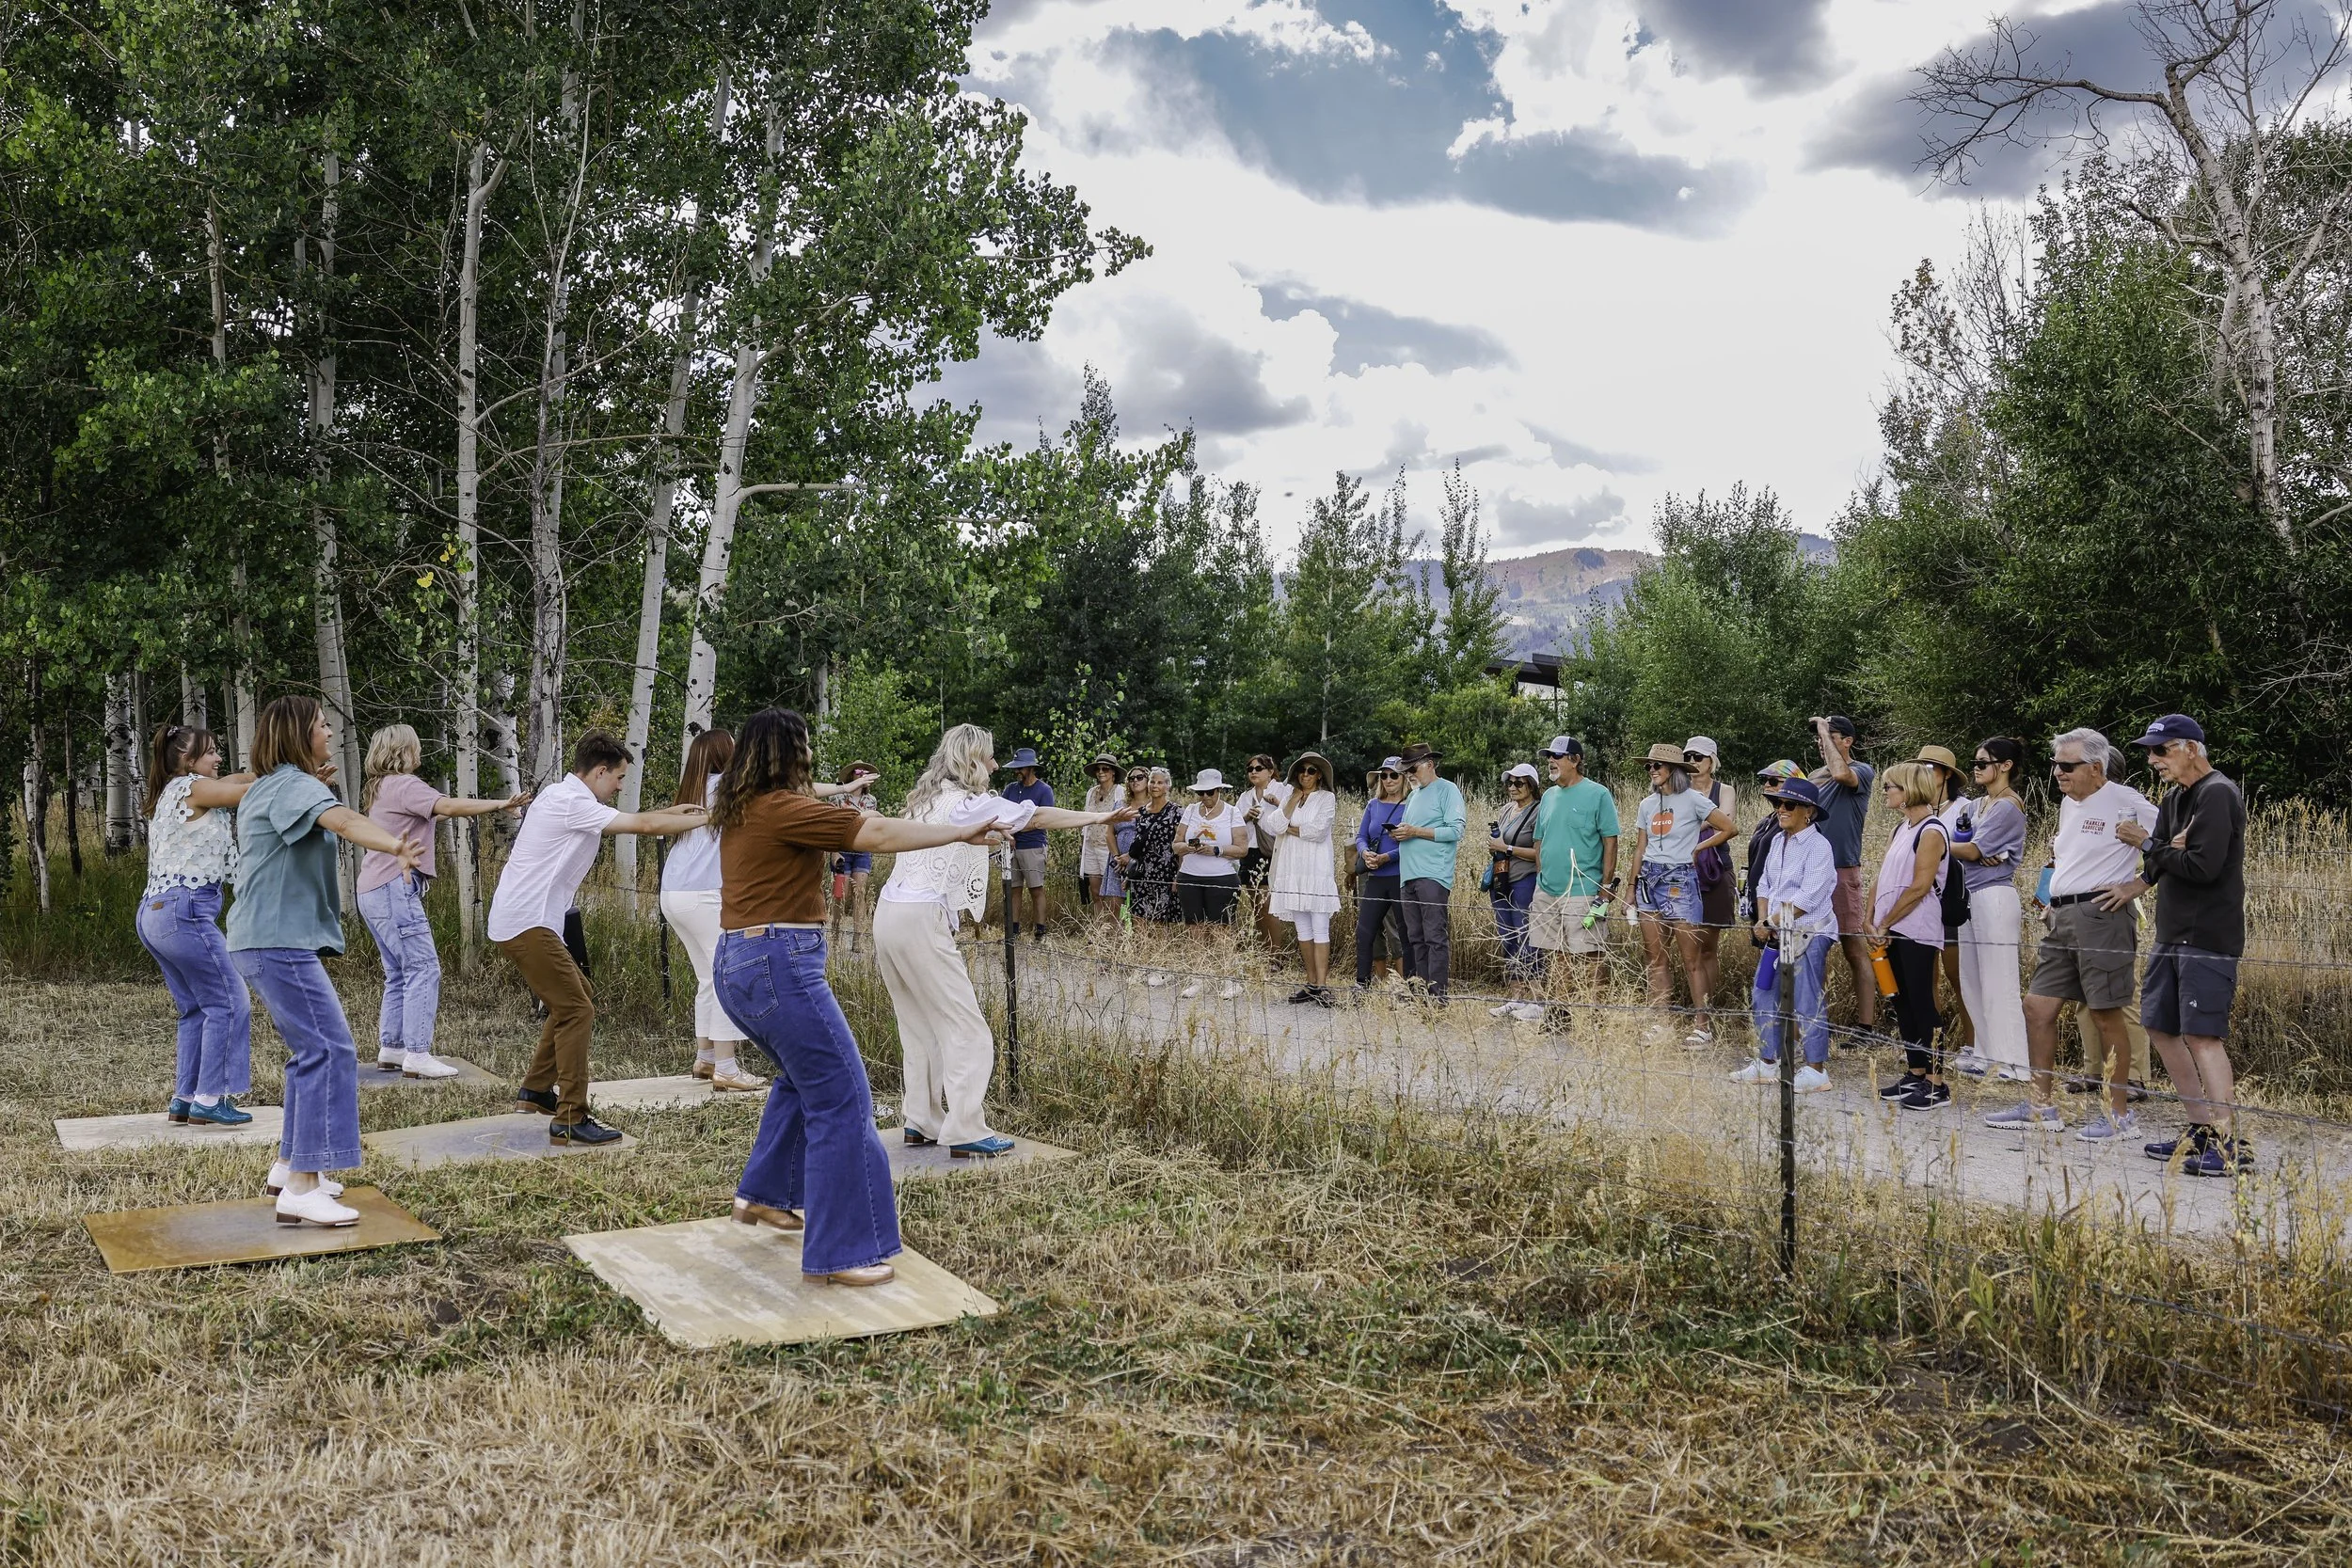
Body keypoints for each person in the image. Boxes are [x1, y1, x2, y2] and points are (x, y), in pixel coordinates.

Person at [710, 708, 998, 1287]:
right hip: (779, 964)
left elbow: (847, 812)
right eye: (806, 745)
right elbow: (882, 834)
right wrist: (961, 831)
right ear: (788, 754)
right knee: (843, 1098)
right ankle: (844, 1251)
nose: (812, 754)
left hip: (738, 964)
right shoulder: (784, 808)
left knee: (801, 1078)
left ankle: (763, 1196)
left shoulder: (742, 807)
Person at [877, 724, 1131, 1157]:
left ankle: (921, 1119)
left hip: (889, 915)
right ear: (973, 759)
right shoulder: (969, 804)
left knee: (918, 1025)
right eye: (991, 757)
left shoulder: (925, 799)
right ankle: (965, 1129)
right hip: (921, 917)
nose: (996, 765)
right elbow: (1039, 816)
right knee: (966, 1026)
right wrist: (1098, 817)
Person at [226, 695, 424, 1226]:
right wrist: (393, 845)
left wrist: (322, 787)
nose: (330, 730)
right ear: (298, 733)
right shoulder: (295, 785)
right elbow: (343, 822)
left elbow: (325, 817)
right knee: (329, 1049)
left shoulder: (274, 785)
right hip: (276, 940)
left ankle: (291, 1163)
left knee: (310, 1051)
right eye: (321, 724)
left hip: (260, 938)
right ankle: (301, 1185)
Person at [486, 730, 711, 1145]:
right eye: (620, 778)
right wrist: (709, 818)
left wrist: (674, 810)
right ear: (600, 771)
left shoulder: (565, 798)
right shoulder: (572, 804)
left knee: (575, 997)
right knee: (577, 1009)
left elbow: (638, 817)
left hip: (524, 919)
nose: (621, 786)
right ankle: (571, 1117)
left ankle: (536, 1090)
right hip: (527, 922)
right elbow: (641, 825)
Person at [1985, 728, 2156, 1138]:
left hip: (2101, 915)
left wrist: (2139, 883)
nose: (2057, 773)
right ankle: (2041, 1106)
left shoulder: (2127, 801)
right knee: (2037, 1007)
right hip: (2060, 916)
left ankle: (2119, 1116)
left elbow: (2179, 844)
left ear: (2096, 768)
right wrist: (2050, 897)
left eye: (2067, 765)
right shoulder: (2068, 803)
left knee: (2105, 1012)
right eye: (2054, 765)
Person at [2114, 715, 2251, 1177]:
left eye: (2162, 750)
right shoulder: (2176, 797)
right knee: (2159, 1025)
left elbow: (2203, 867)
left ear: (2192, 748)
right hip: (2172, 932)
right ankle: (2200, 1129)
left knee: (2202, 1035)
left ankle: (2231, 1144)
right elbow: (2169, 860)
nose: (2153, 760)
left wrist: (2149, 843)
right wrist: (2149, 869)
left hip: (2208, 934)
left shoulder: (2218, 793)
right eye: (2150, 752)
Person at [355, 723, 529, 1081]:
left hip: (372, 889)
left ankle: (393, 1048)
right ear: (405, 751)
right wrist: (499, 803)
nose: (420, 753)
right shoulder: (405, 785)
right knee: (423, 968)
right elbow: (447, 806)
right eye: (416, 747)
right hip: (393, 887)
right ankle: (417, 1054)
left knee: (398, 972)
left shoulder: (379, 787)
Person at [137, 722, 256, 1125]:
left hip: (155, 912)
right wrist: (296, 781)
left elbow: (239, 779)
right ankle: (211, 1098)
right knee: (229, 1001)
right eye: (211, 752)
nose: (218, 758)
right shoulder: (192, 787)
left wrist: (280, 770)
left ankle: (186, 1098)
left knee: (196, 1010)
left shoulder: (173, 791)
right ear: (189, 761)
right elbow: (242, 792)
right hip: (184, 910)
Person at [658, 728, 764, 1093]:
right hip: (704, 894)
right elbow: (796, 790)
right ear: (725, 754)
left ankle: (706, 1058)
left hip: (673, 891)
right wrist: (845, 791)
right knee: (725, 977)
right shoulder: (731, 788)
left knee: (707, 975)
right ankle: (728, 1068)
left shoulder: (694, 788)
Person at [1730, 776, 1837, 1091]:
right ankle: (1768, 1062)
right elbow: (1763, 884)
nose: (1781, 809)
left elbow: (1808, 898)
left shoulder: (1819, 847)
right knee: (1763, 992)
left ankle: (1817, 1070)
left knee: (1806, 998)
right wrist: (1764, 919)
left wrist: (1769, 923)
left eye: (1789, 804)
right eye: (1778, 803)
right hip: (1777, 932)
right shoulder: (1778, 841)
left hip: (1808, 933)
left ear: (1809, 812)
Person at [1631, 742, 1738, 1044]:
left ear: (1673, 770)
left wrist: (1697, 847)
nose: (1651, 770)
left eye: (1657, 766)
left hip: (1680, 880)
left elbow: (1729, 828)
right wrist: (1630, 886)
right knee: (1655, 956)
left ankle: (1702, 1026)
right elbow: (1640, 848)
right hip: (1648, 880)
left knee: (1691, 958)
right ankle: (1661, 1024)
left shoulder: (1693, 799)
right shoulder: (1646, 804)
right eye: (1648, 766)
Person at [1867, 762, 1952, 1111]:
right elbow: (1881, 876)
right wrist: (1869, 917)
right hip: (1891, 924)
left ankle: (1936, 1082)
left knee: (1921, 1000)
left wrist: (1886, 922)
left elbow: (1919, 886)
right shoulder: (1902, 828)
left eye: (1890, 786)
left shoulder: (1932, 831)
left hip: (1916, 927)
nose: (1886, 792)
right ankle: (1916, 1071)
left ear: (1907, 790)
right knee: (1899, 999)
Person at [1948, 737, 2031, 1084]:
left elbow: (1971, 849)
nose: (1977, 769)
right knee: (1972, 979)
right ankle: (1985, 1053)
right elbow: (1964, 845)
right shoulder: (1976, 806)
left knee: (2000, 980)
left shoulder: (2008, 807)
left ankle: (2014, 1062)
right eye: (1976, 763)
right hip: (1970, 894)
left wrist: (1950, 845)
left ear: (2006, 765)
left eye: (1984, 763)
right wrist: (1968, 849)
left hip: (1995, 894)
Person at [1526, 736, 1621, 1016]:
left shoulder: (1598, 794)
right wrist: (1541, 878)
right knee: (1554, 953)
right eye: (1548, 756)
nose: (1550, 761)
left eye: (1557, 756)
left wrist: (1604, 888)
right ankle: (1559, 1013)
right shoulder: (1548, 796)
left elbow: (1610, 842)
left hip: (1582, 889)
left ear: (1576, 760)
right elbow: (1539, 840)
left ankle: (1595, 1013)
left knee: (1591, 954)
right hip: (1547, 890)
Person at [1808, 716, 1878, 1031]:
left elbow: (1841, 772)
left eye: (1829, 736)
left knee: (1853, 947)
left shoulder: (1861, 771)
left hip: (1842, 868)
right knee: (1813, 947)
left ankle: (1865, 1027)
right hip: (1811, 871)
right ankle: (1815, 1022)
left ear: (1847, 740)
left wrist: (1824, 729)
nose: (1821, 743)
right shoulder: (1813, 777)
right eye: (1819, 738)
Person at [1264, 752, 1341, 1006]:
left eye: (1310, 771)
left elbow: (1318, 832)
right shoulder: (1290, 797)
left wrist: (1289, 828)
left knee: (1320, 929)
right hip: (1293, 870)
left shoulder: (1327, 798)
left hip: (1316, 870)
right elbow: (1273, 825)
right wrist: (1290, 803)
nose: (1304, 775)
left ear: (1319, 774)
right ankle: (1310, 984)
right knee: (1303, 930)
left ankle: (1323, 985)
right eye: (1301, 770)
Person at [1391, 742, 1466, 1003]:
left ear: (1430, 764)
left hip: (1433, 875)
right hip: (1408, 875)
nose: (1409, 774)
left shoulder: (1448, 790)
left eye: (1413, 768)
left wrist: (1415, 831)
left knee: (1434, 936)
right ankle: (1421, 992)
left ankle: (1438, 997)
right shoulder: (1413, 796)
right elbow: (1413, 830)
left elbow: (1456, 831)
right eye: (1406, 770)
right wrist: (1401, 832)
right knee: (1416, 938)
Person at [1915, 744, 1976, 1059]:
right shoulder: (1918, 809)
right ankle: (1930, 1045)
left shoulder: (1966, 809)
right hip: (1922, 901)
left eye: (1931, 768)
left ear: (1947, 774)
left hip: (1950, 899)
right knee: (1926, 975)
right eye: (1920, 767)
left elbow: (1977, 851)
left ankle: (1971, 1042)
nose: (1925, 773)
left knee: (1958, 974)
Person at [1175, 768, 1249, 999]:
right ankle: (1199, 977)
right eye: (1201, 793)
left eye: (1209, 792)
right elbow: (1176, 843)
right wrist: (1189, 847)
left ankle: (1231, 979)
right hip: (1190, 874)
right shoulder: (1190, 811)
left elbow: (1242, 848)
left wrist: (1216, 850)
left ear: (1219, 791)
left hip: (1221, 876)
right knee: (1194, 928)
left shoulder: (1232, 813)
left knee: (1222, 929)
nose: (1205, 797)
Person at [1683, 736, 1739, 1015]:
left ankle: (1706, 1006)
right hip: (1683, 872)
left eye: (1699, 757)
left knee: (1708, 945)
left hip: (1715, 870)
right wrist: (1708, 822)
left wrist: (1693, 824)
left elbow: (1727, 821)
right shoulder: (1679, 789)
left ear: (1712, 761)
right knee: (1688, 944)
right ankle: (1696, 1005)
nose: (1693, 762)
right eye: (1688, 757)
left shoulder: (1724, 789)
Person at [1486, 762, 1543, 1018]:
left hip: (1525, 879)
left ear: (1531, 786)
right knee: (1507, 936)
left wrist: (1506, 849)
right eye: (1509, 782)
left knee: (1527, 936)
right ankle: (1516, 995)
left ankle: (1536, 998)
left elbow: (1538, 853)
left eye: (1519, 783)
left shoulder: (1539, 811)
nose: (1513, 787)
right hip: (1502, 879)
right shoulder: (1507, 810)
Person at [1351, 757, 1410, 990]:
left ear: (1404, 778)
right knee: (1365, 930)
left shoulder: (1412, 806)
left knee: (1403, 932)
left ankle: (1408, 985)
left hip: (1399, 875)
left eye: (1393, 775)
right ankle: (1362, 983)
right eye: (1383, 775)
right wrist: (1365, 853)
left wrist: (1388, 857)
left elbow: (1412, 842)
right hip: (1375, 876)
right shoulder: (1372, 805)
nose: (1388, 780)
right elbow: (1361, 836)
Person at [1120, 767, 1184, 958]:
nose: (1155, 785)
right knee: (1138, 918)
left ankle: (1159, 964)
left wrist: (1178, 876)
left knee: (1158, 921)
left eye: (1160, 782)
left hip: (1164, 872)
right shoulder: (1141, 812)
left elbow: (1180, 847)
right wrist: (1129, 875)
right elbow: (1137, 847)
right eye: (1153, 781)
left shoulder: (1176, 812)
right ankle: (1142, 962)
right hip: (1141, 873)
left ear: (1167, 786)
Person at [1237, 754, 1293, 956]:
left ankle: (1276, 955)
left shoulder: (1283, 791)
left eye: (1258, 768)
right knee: (1256, 906)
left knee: (1269, 906)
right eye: (1249, 768)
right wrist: (1246, 816)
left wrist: (1277, 803)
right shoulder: (1245, 797)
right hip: (1250, 852)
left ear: (1270, 771)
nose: (1253, 772)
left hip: (1274, 851)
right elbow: (1235, 826)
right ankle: (1264, 951)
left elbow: (1294, 816)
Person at [1000, 747, 1055, 942]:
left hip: (1033, 845)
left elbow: (1047, 819)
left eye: (1021, 768)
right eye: (1017, 768)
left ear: (1031, 768)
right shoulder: (1010, 789)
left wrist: (1017, 830)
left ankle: (1040, 931)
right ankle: (1013, 931)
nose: (1017, 772)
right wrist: (1008, 834)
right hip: (1011, 846)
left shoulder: (1044, 790)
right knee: (1013, 888)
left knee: (1036, 888)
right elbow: (1002, 813)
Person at [826, 763, 881, 953]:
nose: (863, 776)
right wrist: (834, 851)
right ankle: (835, 936)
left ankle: (858, 940)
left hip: (863, 850)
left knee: (860, 893)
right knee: (841, 894)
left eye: (866, 773)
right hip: (841, 849)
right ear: (852, 776)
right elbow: (830, 825)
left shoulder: (871, 800)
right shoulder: (838, 797)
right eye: (859, 772)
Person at [1079, 754, 1125, 923]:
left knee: (1112, 892)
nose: (1101, 772)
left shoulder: (1120, 791)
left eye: (1105, 769)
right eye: (1098, 769)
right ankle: (1099, 927)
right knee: (1095, 891)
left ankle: (1113, 928)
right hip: (1091, 844)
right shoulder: (1091, 792)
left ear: (1113, 772)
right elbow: (1086, 817)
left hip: (1109, 847)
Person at [1098, 765, 1147, 914]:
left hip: (1142, 861)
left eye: (1139, 777)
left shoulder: (1153, 806)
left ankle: (1136, 938)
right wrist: (1117, 857)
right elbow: (1109, 833)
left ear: (1147, 780)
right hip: (1118, 862)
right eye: (1131, 779)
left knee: (1139, 909)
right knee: (1114, 907)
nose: (1135, 781)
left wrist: (1131, 858)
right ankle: (1114, 938)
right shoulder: (1120, 804)